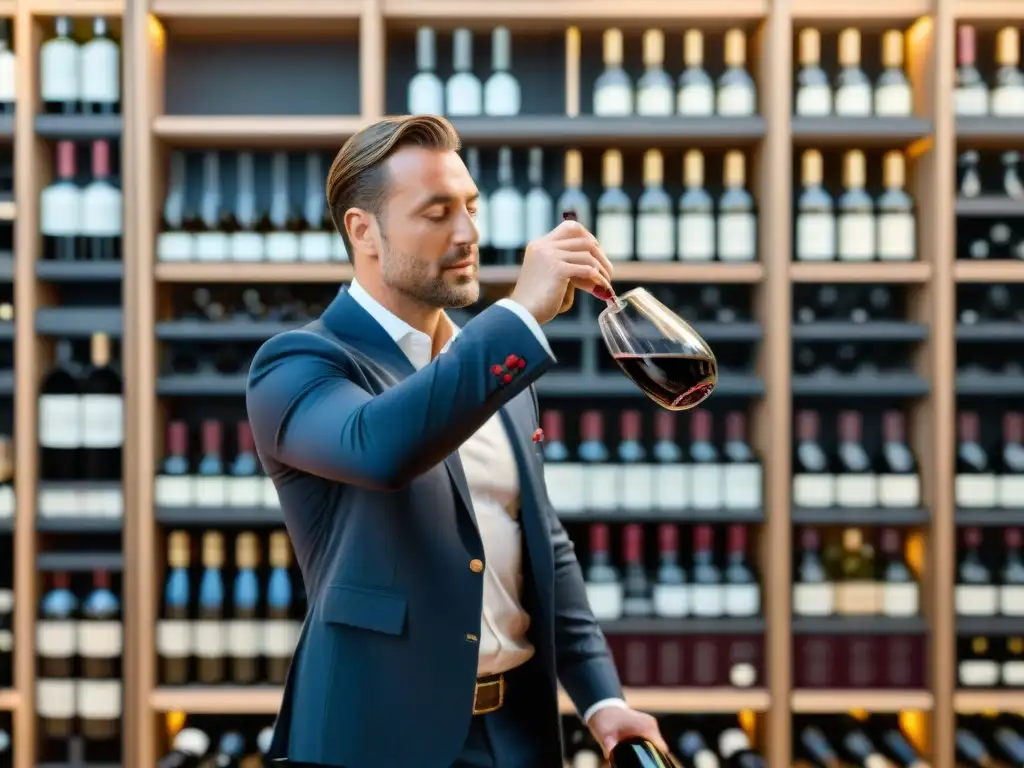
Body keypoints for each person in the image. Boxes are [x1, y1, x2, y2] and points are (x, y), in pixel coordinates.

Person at [245, 114, 668, 768]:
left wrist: (601, 700)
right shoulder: (299, 365)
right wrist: (521, 314)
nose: (469, 233)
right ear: (365, 232)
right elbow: (380, 449)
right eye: (437, 212)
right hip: (371, 742)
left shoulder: (494, 360)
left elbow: (540, 541)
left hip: (517, 738)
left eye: (471, 206)